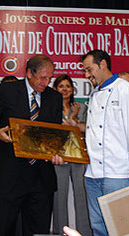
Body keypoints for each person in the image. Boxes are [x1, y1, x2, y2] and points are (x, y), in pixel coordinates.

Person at [0, 54, 63, 236]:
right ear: (29, 73)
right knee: (3, 229)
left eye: (50, 78)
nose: (46, 83)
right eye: (42, 78)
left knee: (39, 231)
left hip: (41, 179)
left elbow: (56, 133)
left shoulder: (54, 97)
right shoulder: (7, 91)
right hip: (8, 176)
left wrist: (57, 152)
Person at [65, 50, 129, 236]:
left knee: (121, 227)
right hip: (93, 173)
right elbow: (97, 129)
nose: (87, 75)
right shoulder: (95, 94)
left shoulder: (124, 89)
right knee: (98, 227)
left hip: (117, 173)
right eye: (85, 71)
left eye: (89, 70)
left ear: (103, 64)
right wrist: (76, 125)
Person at [52, 74, 92, 236]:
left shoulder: (81, 107)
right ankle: (60, 232)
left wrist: (74, 116)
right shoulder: (51, 107)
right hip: (59, 157)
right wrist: (71, 120)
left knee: (82, 196)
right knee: (59, 198)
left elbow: (87, 129)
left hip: (78, 157)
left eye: (67, 86)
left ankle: (85, 232)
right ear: (55, 89)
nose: (65, 89)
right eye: (61, 86)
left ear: (72, 89)